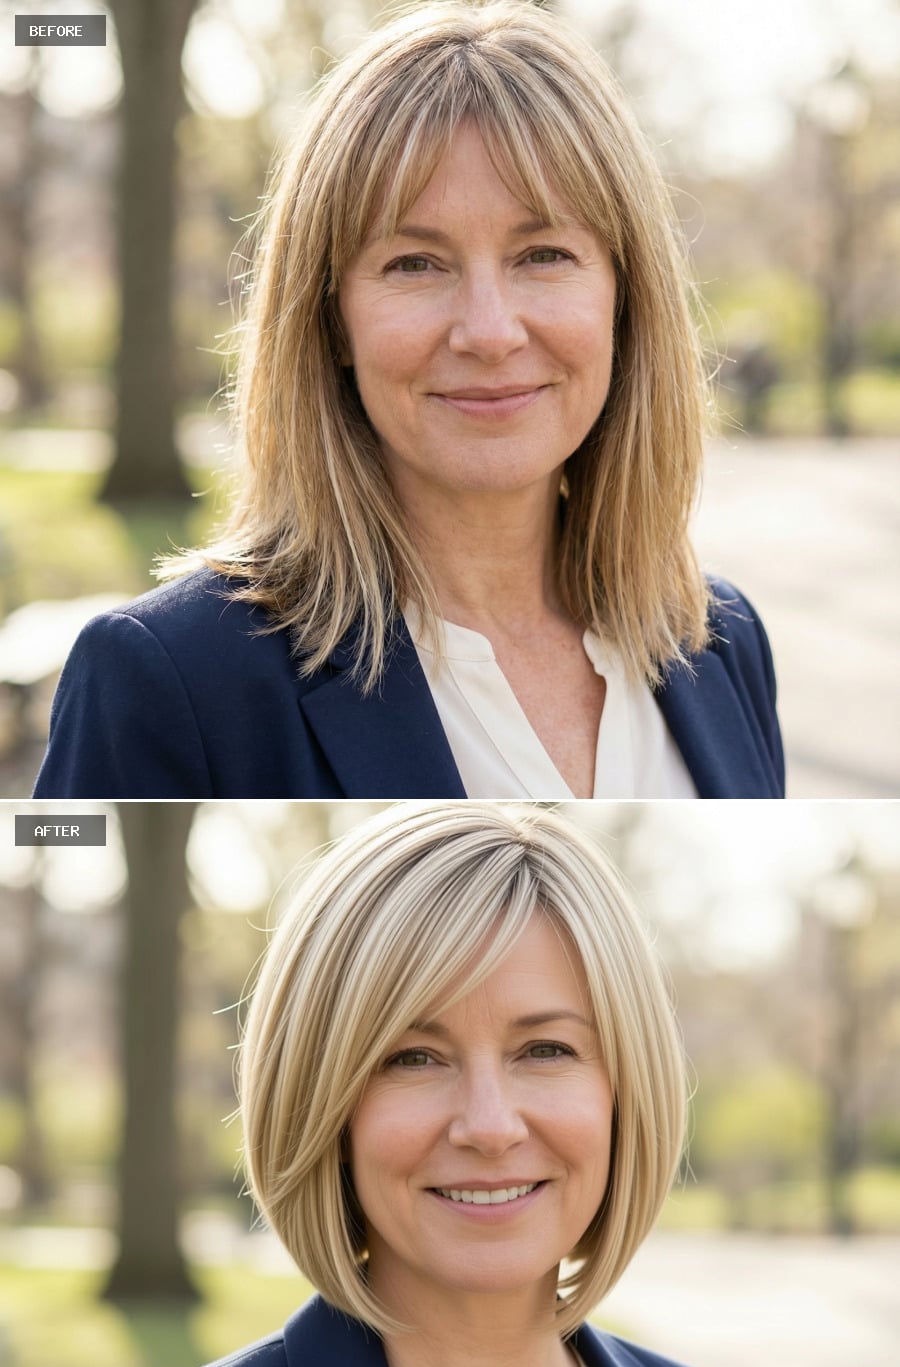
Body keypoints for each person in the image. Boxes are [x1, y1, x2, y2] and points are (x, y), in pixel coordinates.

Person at [34, 1, 783, 802]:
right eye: (415, 264)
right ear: (331, 319)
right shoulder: (167, 676)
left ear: (624, 299)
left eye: (544, 254)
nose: (490, 332)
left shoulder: (721, 640)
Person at [36, 802, 785, 1367]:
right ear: (325, 1102)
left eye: (545, 1049)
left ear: (622, 1089)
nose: (490, 1127)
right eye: (413, 1057)